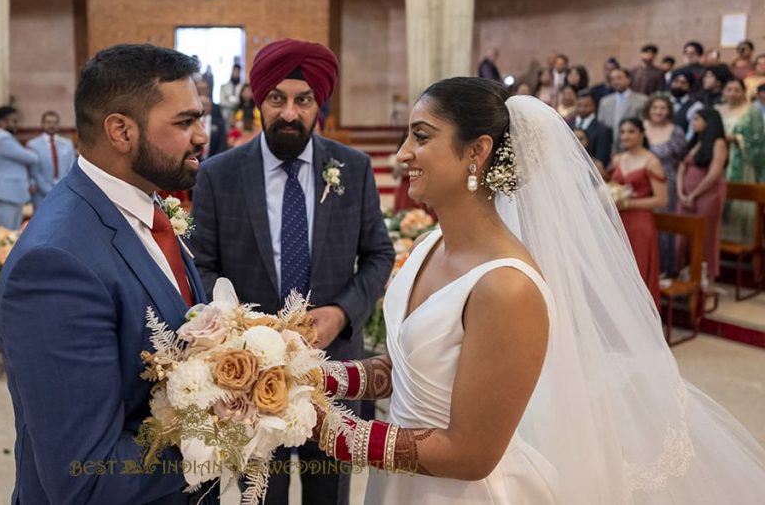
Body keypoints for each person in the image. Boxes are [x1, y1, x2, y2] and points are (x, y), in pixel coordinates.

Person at [315, 81, 765, 503]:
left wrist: (329, 430)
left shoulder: (507, 286)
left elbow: (471, 454)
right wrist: (326, 379)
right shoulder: (428, 243)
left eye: (421, 137)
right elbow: (411, 369)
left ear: (477, 151)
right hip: (399, 480)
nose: (402, 154)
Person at [0, 44, 212, 504]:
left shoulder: (141, 202)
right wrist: (233, 433)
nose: (202, 136)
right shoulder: (56, 264)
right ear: (121, 131)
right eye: (184, 122)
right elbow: (87, 477)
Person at [190, 39, 393, 505]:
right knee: (261, 496)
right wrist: (240, 329)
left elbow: (379, 255)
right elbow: (201, 264)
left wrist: (341, 313)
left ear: (318, 103)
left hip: (334, 369)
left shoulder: (353, 169)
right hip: (248, 374)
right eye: (277, 99)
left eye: (303, 101)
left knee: (330, 494)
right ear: (258, 100)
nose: (289, 113)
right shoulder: (219, 175)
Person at [609, 118, 668, 301]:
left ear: (642, 134)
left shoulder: (651, 161)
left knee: (638, 271)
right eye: (623, 131)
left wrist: (630, 203)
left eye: (631, 131)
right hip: (619, 221)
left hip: (640, 225)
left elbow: (661, 199)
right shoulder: (618, 159)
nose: (626, 136)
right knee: (617, 271)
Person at [677, 109, 728, 285]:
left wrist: (694, 194)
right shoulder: (695, 141)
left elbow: (714, 174)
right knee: (682, 236)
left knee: (706, 235)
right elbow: (682, 167)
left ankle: (707, 279)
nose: (693, 122)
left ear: (709, 121)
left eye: (697, 119)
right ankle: (685, 275)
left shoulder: (718, 142)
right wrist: (681, 193)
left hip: (708, 195)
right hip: (686, 195)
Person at [717, 79, 765, 244]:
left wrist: (737, 138)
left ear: (743, 92)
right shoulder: (717, 110)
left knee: (739, 201)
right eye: (728, 89)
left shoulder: (751, 112)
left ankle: (742, 241)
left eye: (736, 89)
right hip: (718, 161)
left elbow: (758, 140)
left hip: (741, 162)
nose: (732, 93)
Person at [643, 95, 687, 274]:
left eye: (662, 108)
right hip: (642, 181)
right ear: (649, 110)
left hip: (666, 182)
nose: (658, 112)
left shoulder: (675, 131)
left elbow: (681, 159)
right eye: (655, 108)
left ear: (668, 110)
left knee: (663, 226)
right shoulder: (641, 127)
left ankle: (664, 269)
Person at [0, 106, 37, 230]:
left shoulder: (7, 138)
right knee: (3, 238)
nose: (16, 125)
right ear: (2, 122)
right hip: (4, 196)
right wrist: (30, 151)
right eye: (13, 121)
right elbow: (32, 158)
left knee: (12, 239)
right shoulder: (1, 140)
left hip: (11, 195)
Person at [26, 110, 75, 209]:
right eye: (48, 122)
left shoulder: (67, 144)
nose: (51, 125)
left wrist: (63, 188)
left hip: (64, 192)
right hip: (41, 194)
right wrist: (49, 190)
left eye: (55, 123)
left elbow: (71, 167)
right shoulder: (33, 145)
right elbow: (35, 172)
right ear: (42, 124)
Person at [597, 67, 649, 147]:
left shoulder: (642, 100)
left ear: (628, 80)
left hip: (633, 145)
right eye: (612, 79)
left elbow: (645, 125)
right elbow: (601, 125)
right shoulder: (605, 102)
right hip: (609, 146)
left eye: (619, 78)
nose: (615, 81)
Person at [669, 70, 703, 140]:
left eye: (683, 83)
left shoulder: (696, 106)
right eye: (676, 81)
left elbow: (691, 134)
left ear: (689, 86)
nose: (679, 85)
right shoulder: (661, 101)